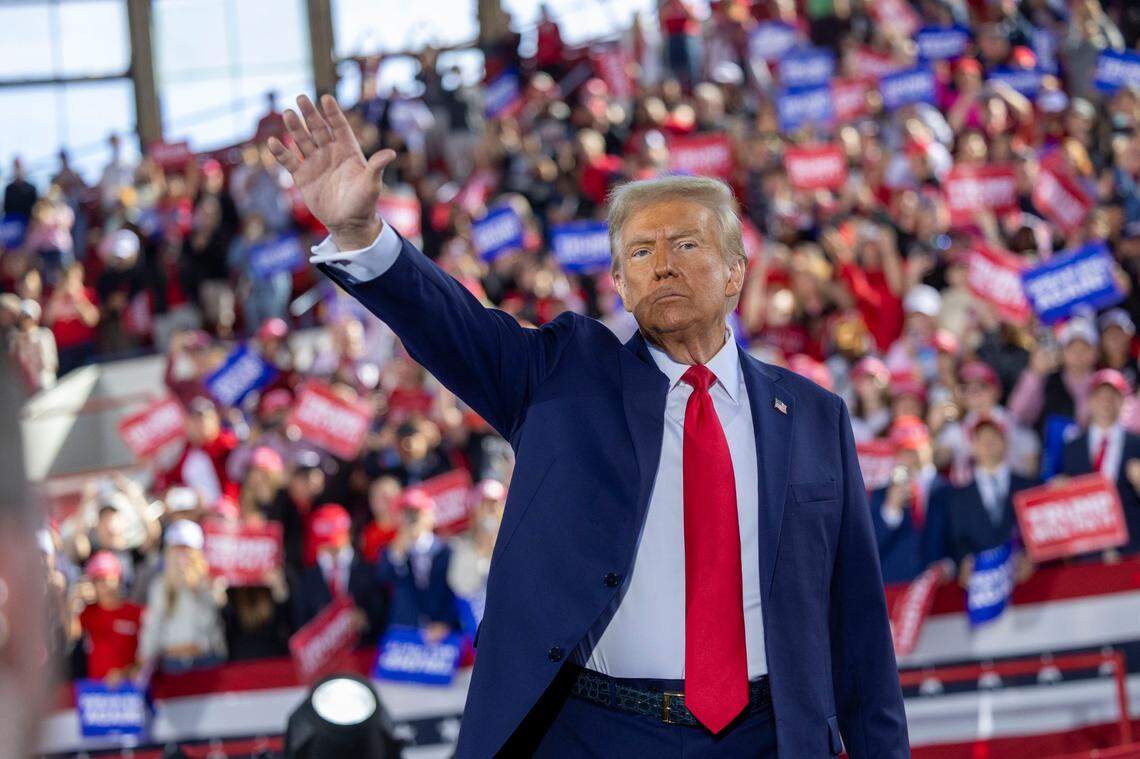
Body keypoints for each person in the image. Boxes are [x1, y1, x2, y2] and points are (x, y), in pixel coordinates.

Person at [268, 94, 907, 756]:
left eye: (685, 243)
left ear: (735, 273)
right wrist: (364, 235)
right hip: (597, 731)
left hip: (769, 735)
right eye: (639, 251)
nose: (661, 263)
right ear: (621, 286)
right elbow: (452, 326)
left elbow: (859, 628)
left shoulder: (812, 416)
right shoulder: (565, 376)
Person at [942, 416, 1038, 579]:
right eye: (981, 439)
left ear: (1005, 443)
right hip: (981, 586)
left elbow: (1039, 530)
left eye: (994, 437)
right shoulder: (957, 497)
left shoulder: (1030, 487)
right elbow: (956, 540)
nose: (988, 443)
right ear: (972, 447)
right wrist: (964, 563)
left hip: (1026, 582)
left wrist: (1032, 559)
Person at [1061, 369, 1140, 558]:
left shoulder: (1136, 445)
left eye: (1112, 396)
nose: (1106, 401)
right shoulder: (1073, 447)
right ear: (1089, 400)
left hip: (1131, 547)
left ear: (1122, 401)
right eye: (1100, 395)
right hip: (1088, 550)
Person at [137, 520, 227, 674]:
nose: (181, 555)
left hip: (206, 660)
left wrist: (201, 588)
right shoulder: (159, 586)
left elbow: (216, 621)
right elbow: (152, 626)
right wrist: (144, 660)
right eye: (176, 549)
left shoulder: (210, 581)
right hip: (173, 663)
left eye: (187, 549)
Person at [292, 503, 387, 645]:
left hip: (364, 653)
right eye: (325, 543)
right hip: (324, 659)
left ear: (348, 535)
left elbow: (383, 611)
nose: (331, 549)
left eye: (335, 543)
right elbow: (300, 622)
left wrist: (365, 619)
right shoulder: (306, 578)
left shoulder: (369, 570)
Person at [376, 490, 459, 639]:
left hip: (444, 632)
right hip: (407, 633)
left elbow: (457, 592)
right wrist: (397, 552)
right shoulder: (391, 552)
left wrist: (445, 623)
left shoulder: (448, 551)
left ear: (430, 516)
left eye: (416, 514)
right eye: (405, 515)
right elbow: (383, 580)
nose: (411, 520)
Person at [75, 551, 143, 682]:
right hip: (95, 693)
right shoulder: (88, 613)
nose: (104, 585)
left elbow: (147, 655)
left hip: (129, 690)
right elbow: (73, 635)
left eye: (108, 578)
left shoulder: (137, 613)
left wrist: (124, 673)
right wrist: (74, 601)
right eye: (98, 580)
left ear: (119, 579)